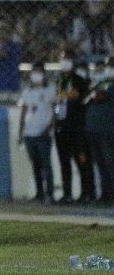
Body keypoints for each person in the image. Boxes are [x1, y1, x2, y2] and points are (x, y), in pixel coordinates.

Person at [55, 48, 94, 204]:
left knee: (82, 160)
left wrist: (62, 95)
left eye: (67, 59)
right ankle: (67, 193)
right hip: (62, 126)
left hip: (76, 127)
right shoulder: (60, 80)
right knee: (64, 162)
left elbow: (76, 95)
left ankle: (87, 192)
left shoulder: (78, 79)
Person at [19, 63, 56, 204]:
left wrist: (50, 127)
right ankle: (39, 193)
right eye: (34, 72)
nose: (36, 75)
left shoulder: (50, 90)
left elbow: (55, 110)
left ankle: (50, 194)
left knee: (46, 165)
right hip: (29, 134)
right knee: (36, 165)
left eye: (39, 72)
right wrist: (21, 132)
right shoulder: (27, 92)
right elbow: (23, 112)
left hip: (43, 133)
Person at [85, 57, 114, 205]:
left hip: (108, 131)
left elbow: (99, 97)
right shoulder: (98, 84)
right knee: (101, 164)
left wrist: (96, 90)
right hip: (94, 130)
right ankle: (105, 194)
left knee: (110, 164)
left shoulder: (109, 85)